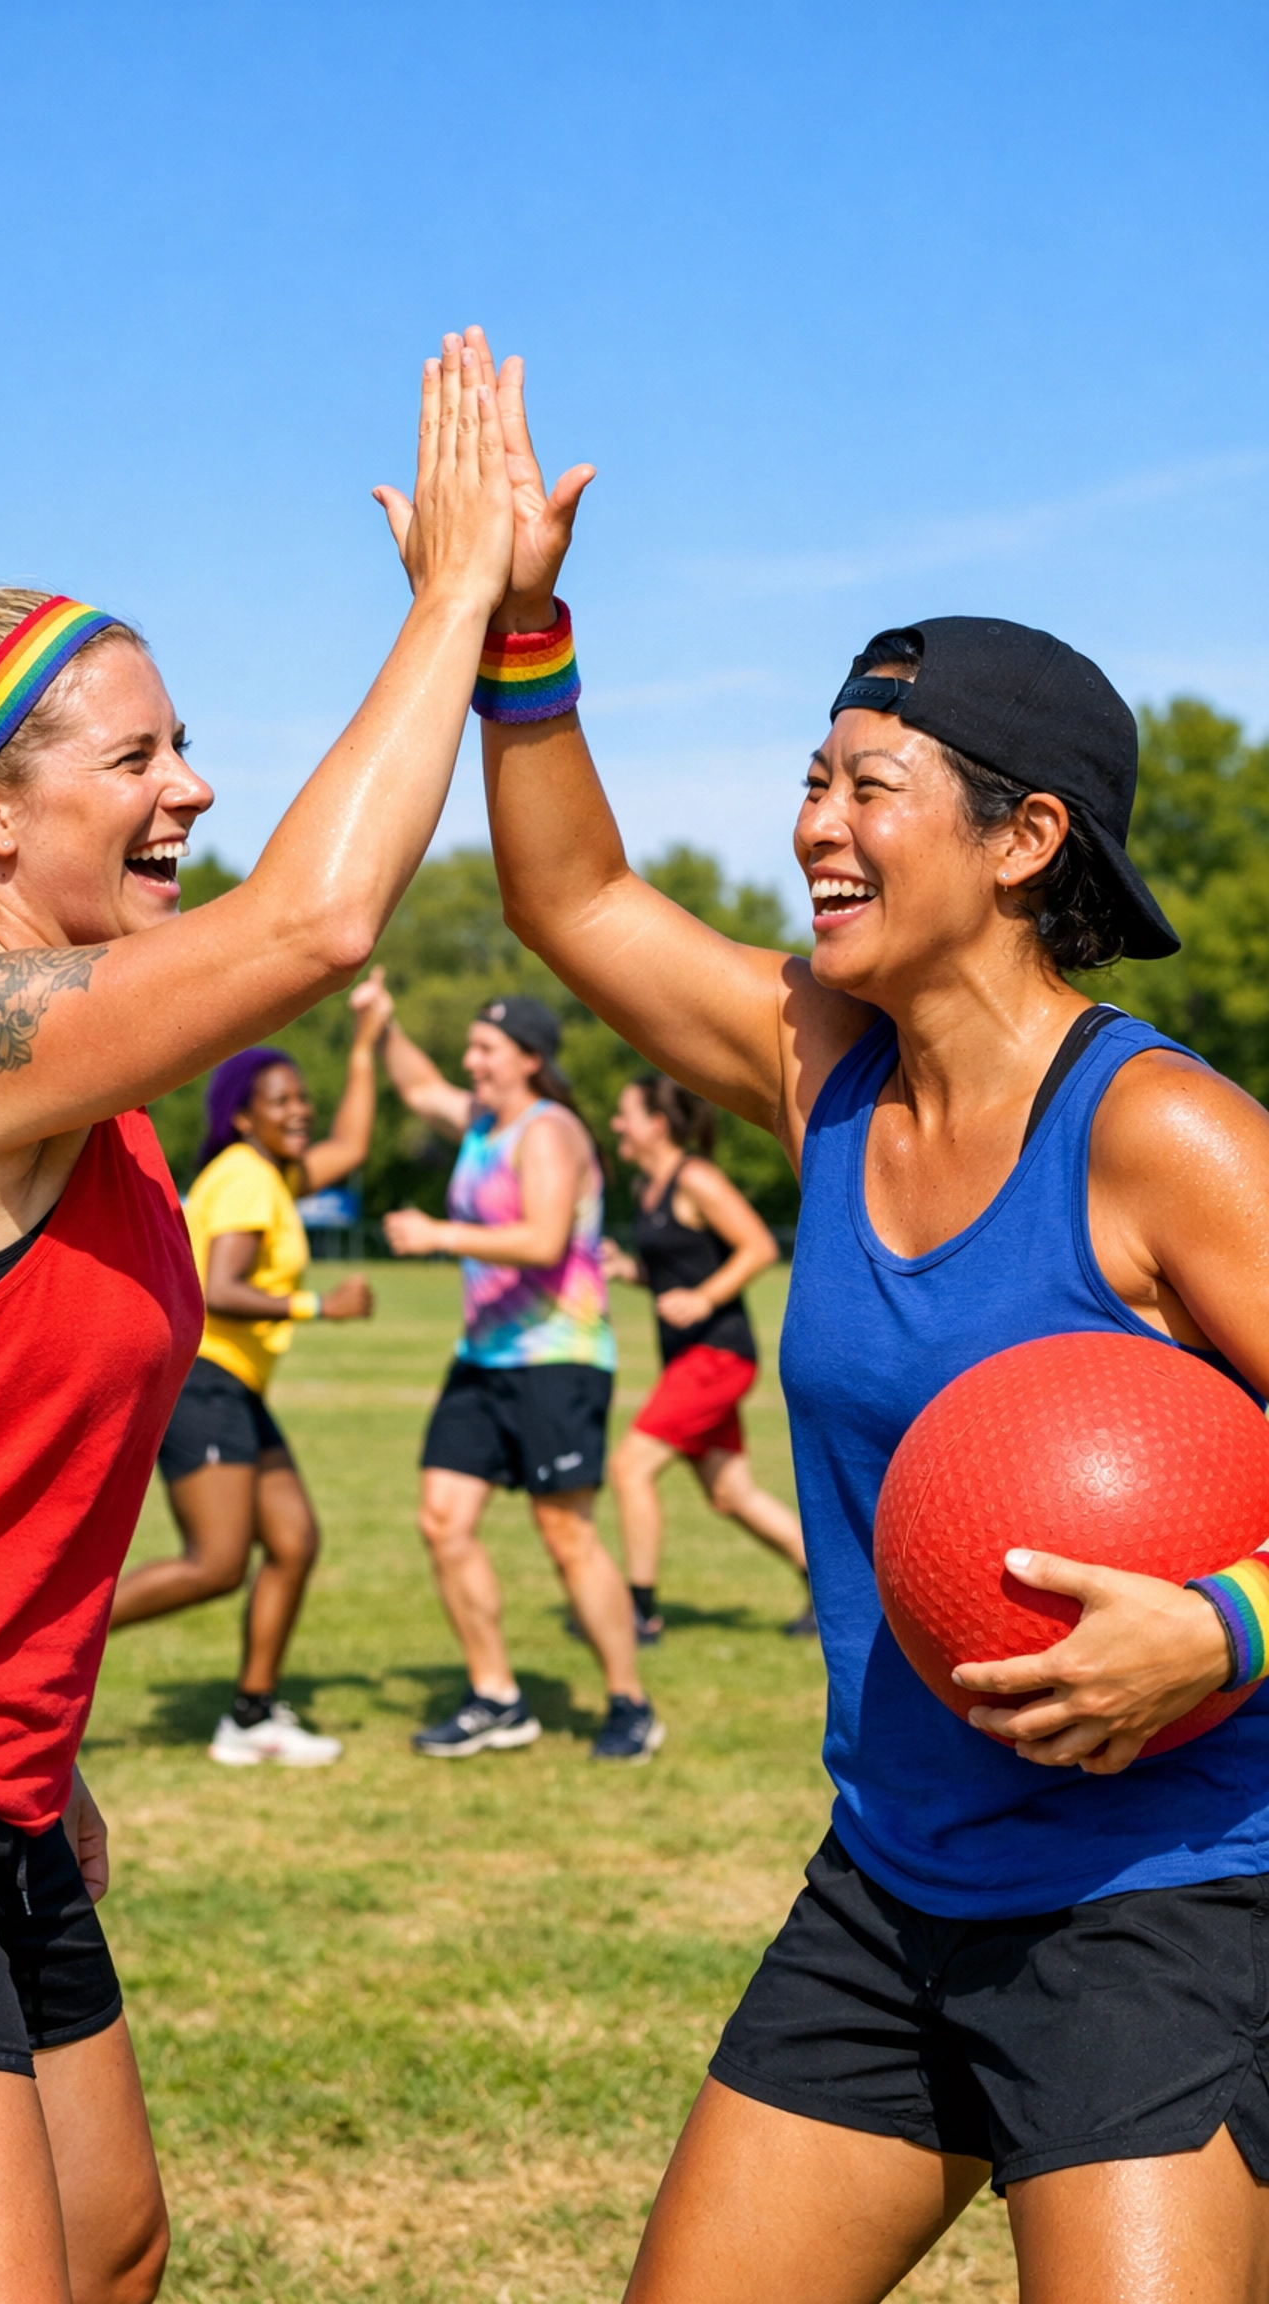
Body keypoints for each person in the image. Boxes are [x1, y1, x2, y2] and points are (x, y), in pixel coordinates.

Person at [442, 324, 1269, 2302]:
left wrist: (1230, 1624)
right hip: (893, 1884)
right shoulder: (820, 1061)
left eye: (869, 787)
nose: (815, 820)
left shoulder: (1163, 1134)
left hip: (1167, 1906)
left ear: (1025, 838)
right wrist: (523, 629)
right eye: (810, 774)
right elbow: (578, 905)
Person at [0, 332, 513, 2304]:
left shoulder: (101, 1110)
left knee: (113, 2256)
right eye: (143, 758)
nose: (198, 786)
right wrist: (453, 606)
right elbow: (318, 923)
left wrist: (40, 1743)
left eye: (188, 744)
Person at [108, 968, 394, 1767]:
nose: (300, 1110)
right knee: (216, 1564)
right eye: (282, 1100)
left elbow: (355, 1145)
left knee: (294, 1540)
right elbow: (216, 1287)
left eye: (303, 1097)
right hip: (202, 1380)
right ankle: (50, 1646)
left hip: (235, 1385)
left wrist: (367, 1043)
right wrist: (317, 1308)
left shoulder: (272, 1175)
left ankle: (252, 1715)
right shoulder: (242, 1178)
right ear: (242, 1117)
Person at [378, 994, 663, 1762]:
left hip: (557, 1357)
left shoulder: (550, 1132)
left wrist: (439, 1233)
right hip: (482, 1359)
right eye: (469, 1050)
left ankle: (629, 1700)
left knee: (565, 1533)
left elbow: (541, 1241)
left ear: (529, 1058)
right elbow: (413, 1086)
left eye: (486, 1049)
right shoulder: (480, 1125)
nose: (471, 1064)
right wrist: (381, 1020)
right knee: (443, 1519)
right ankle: (497, 1696)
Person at [601, 1072, 810, 1642]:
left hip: (717, 1357)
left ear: (657, 1125)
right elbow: (679, 1268)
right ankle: (825, 1589)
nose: (617, 1125)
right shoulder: (649, 1188)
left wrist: (704, 1298)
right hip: (689, 1357)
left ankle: (640, 1611)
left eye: (625, 1114)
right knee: (730, 1495)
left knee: (629, 1468)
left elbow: (759, 1246)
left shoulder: (694, 1178)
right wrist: (632, 1272)